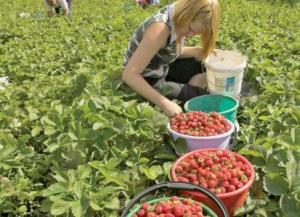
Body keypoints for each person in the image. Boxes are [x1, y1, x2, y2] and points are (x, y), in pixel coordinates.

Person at [122, 0, 220, 117]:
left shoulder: (176, 16)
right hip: (146, 80)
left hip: (162, 67)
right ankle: (190, 91)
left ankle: (190, 87)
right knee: (204, 99)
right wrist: (165, 103)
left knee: (204, 65)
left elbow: (171, 52)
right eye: (190, 29)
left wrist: (197, 51)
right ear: (185, 13)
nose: (189, 35)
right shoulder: (160, 29)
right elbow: (129, 75)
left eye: (195, 33)